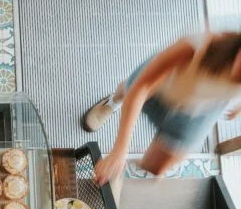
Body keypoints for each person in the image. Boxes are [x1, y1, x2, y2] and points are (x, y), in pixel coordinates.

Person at [83, 32, 241, 187]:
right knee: (129, 88)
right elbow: (142, 88)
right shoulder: (201, 44)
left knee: (156, 167)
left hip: (198, 112)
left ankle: (123, 168)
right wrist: (120, 149)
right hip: (160, 88)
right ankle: (113, 102)